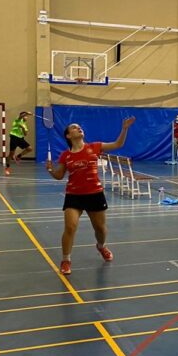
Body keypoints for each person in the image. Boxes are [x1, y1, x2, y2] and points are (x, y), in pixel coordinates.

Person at [45, 116, 135, 275]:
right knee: (70, 227)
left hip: (95, 194)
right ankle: (66, 260)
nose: (78, 128)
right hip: (74, 195)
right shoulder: (66, 155)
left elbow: (117, 144)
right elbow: (59, 176)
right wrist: (51, 170)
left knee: (100, 229)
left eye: (79, 126)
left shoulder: (95, 147)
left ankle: (101, 246)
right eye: (74, 127)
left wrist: (125, 128)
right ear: (68, 135)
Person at [5, 111, 32, 175]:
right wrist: (27, 113)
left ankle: (18, 156)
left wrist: (23, 128)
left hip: (20, 138)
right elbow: (21, 116)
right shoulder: (18, 120)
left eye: (26, 116)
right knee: (11, 154)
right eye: (25, 116)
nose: (26, 117)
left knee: (29, 148)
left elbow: (25, 134)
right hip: (14, 137)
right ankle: (7, 168)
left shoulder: (25, 125)